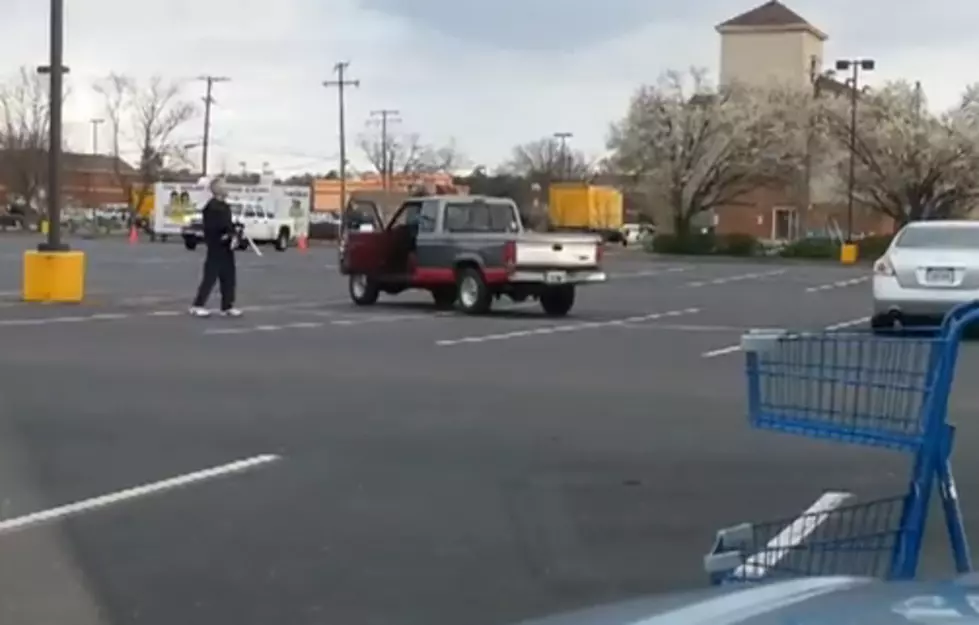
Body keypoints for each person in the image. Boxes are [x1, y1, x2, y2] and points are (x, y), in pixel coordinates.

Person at [189, 178, 241, 317]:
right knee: (210, 276)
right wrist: (224, 234)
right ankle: (197, 305)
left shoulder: (225, 206)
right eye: (224, 185)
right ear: (217, 189)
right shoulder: (212, 207)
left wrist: (234, 233)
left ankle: (227, 306)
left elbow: (228, 225)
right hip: (216, 245)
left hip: (227, 247)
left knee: (229, 276)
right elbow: (212, 227)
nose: (227, 187)